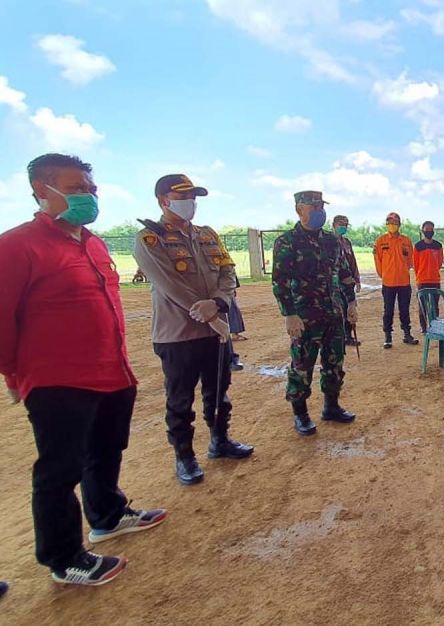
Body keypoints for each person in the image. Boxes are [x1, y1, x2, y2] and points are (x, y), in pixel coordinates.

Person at [1, 153, 166, 586]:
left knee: (106, 449)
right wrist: (14, 374)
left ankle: (108, 515)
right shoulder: (16, 246)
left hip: (111, 371)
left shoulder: (92, 242)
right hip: (57, 380)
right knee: (60, 470)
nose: (89, 196)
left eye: (92, 189)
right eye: (77, 189)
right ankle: (64, 557)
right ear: (43, 191)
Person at [134, 174, 254, 486]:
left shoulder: (208, 235)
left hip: (215, 332)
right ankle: (184, 456)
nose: (191, 203)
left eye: (193, 197)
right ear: (163, 200)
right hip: (178, 335)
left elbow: (228, 272)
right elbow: (168, 283)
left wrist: (218, 304)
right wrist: (205, 312)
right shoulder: (150, 239)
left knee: (218, 392)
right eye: (182, 196)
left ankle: (220, 441)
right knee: (180, 400)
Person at [272, 191, 359, 436]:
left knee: (334, 361)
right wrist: (289, 314)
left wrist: (351, 303)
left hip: (333, 312)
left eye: (321, 205)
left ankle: (331, 406)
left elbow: (344, 273)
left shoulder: (332, 241)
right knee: (302, 364)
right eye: (314, 206)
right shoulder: (287, 241)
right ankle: (301, 414)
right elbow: (280, 281)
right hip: (304, 315)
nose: (320, 210)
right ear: (300, 210)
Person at [374, 212, 418, 348]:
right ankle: (388, 336)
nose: (391, 225)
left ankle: (407, 334)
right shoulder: (381, 241)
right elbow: (378, 261)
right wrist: (385, 275)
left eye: (394, 222)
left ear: (399, 225)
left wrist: (402, 270)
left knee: (404, 310)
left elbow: (411, 260)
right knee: (388, 310)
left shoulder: (406, 241)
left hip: (404, 282)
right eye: (389, 223)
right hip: (388, 283)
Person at [332, 214, 363, 345]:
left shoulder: (347, 243)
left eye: (345, 225)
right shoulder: (329, 242)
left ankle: (349, 336)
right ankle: (339, 337)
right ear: (333, 225)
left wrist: (356, 278)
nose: (343, 227)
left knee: (349, 308)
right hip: (334, 283)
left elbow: (352, 262)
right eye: (341, 224)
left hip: (348, 281)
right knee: (337, 310)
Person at [414, 220, 444, 333]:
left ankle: (434, 325)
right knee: (422, 306)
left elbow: (440, 262)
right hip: (422, 281)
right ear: (423, 231)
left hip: (435, 280)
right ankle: (424, 328)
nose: (429, 231)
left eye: (431, 229)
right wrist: (420, 276)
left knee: (435, 305)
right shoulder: (418, 246)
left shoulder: (438, 246)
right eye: (427, 229)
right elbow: (416, 264)